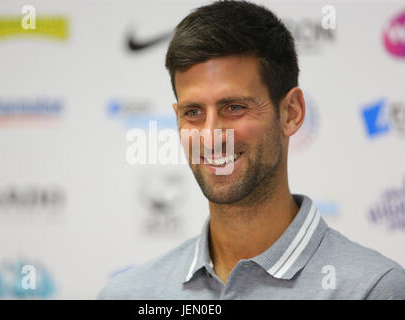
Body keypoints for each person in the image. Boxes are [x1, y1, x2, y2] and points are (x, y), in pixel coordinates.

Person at [98, 0, 405, 299]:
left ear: (291, 113)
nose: (211, 137)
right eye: (193, 112)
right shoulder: (129, 293)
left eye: (233, 107)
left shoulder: (372, 289)